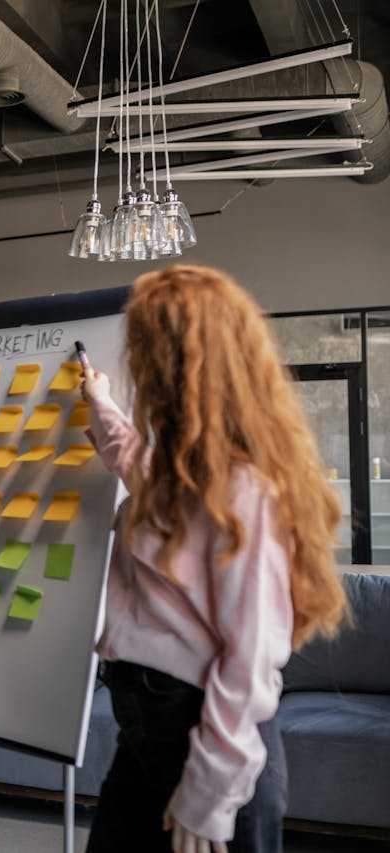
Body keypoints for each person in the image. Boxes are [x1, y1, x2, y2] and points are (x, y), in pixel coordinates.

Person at [81, 265, 348, 853]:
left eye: (144, 349)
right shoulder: (183, 472)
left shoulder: (245, 490)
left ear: (182, 365)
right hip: (148, 729)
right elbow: (133, 462)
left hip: (204, 740)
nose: (137, 365)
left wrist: (209, 795)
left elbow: (250, 659)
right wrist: (98, 402)